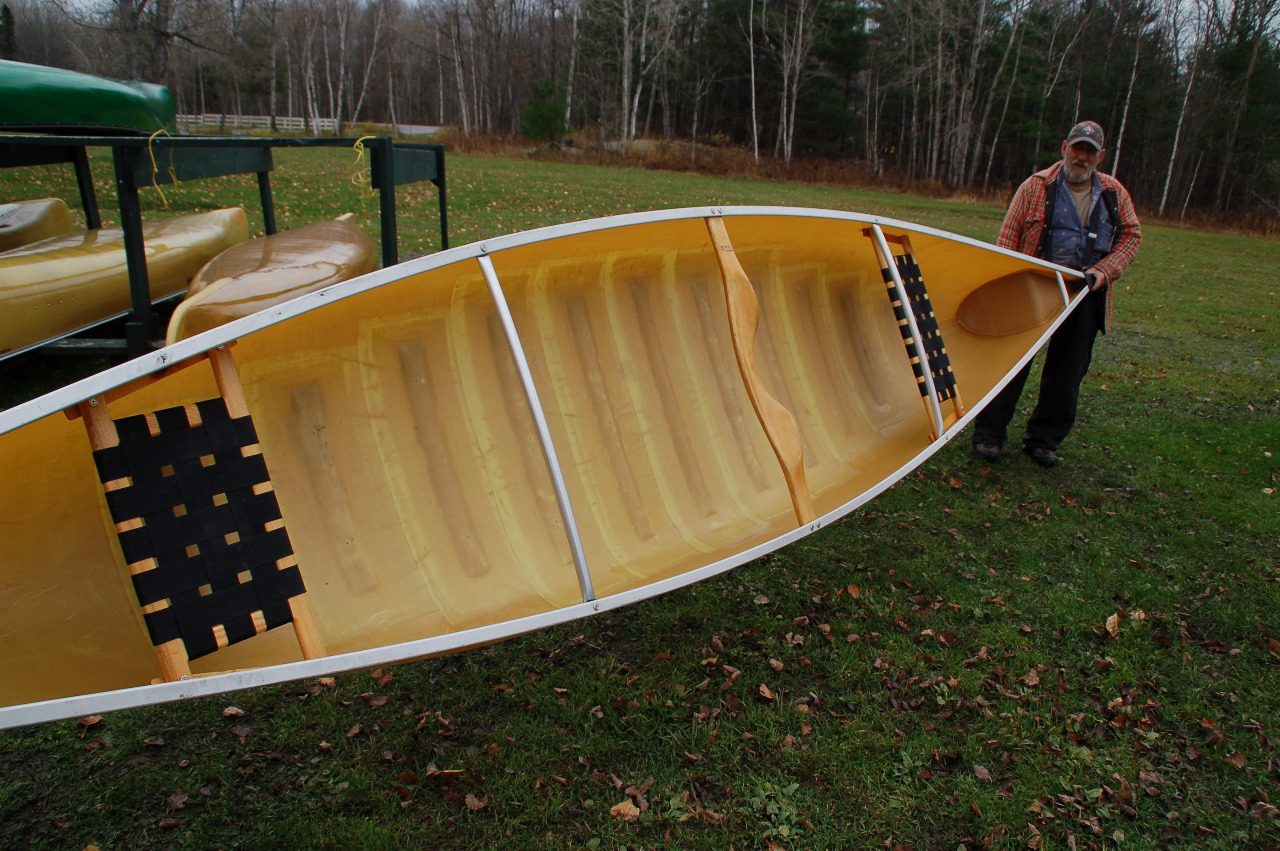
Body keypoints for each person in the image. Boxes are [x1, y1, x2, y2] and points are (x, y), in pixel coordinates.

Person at [973, 120, 1142, 468]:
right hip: (1033, 288)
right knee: (1013, 363)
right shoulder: (1035, 187)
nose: (1082, 157)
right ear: (1065, 147)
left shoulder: (1114, 193)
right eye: (1077, 148)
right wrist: (1006, 288)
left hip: (1086, 293)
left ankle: (1043, 441)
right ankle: (989, 436)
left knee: (1067, 373)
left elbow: (1131, 236)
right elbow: (1006, 241)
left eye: (1090, 152)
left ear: (1101, 156)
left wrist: (1104, 272)